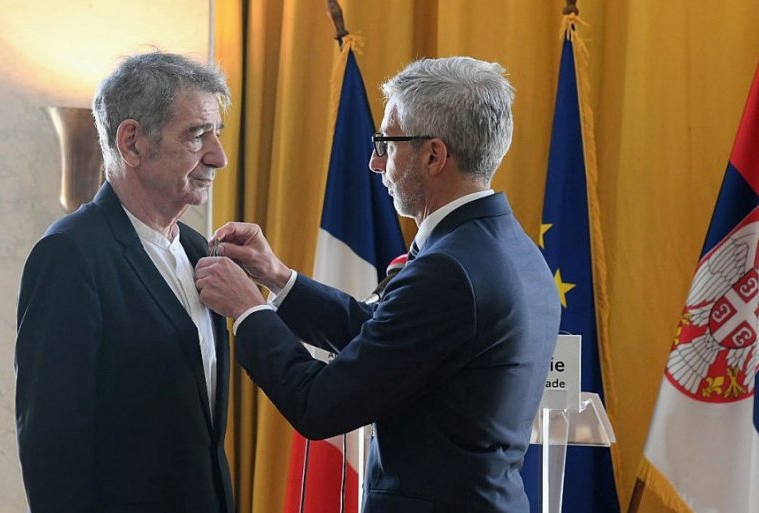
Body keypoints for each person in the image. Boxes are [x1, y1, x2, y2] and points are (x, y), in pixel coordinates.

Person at [195, 56, 561, 513]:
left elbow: (319, 406)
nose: (374, 162)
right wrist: (278, 278)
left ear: (433, 155)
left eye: (386, 143)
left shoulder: (449, 270)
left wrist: (249, 311)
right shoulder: (511, 247)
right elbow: (388, 338)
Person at [15, 52, 236, 513]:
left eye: (216, 133)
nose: (219, 156)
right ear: (132, 143)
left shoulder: (200, 249)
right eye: (197, 135)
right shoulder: (70, 255)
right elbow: (53, 449)